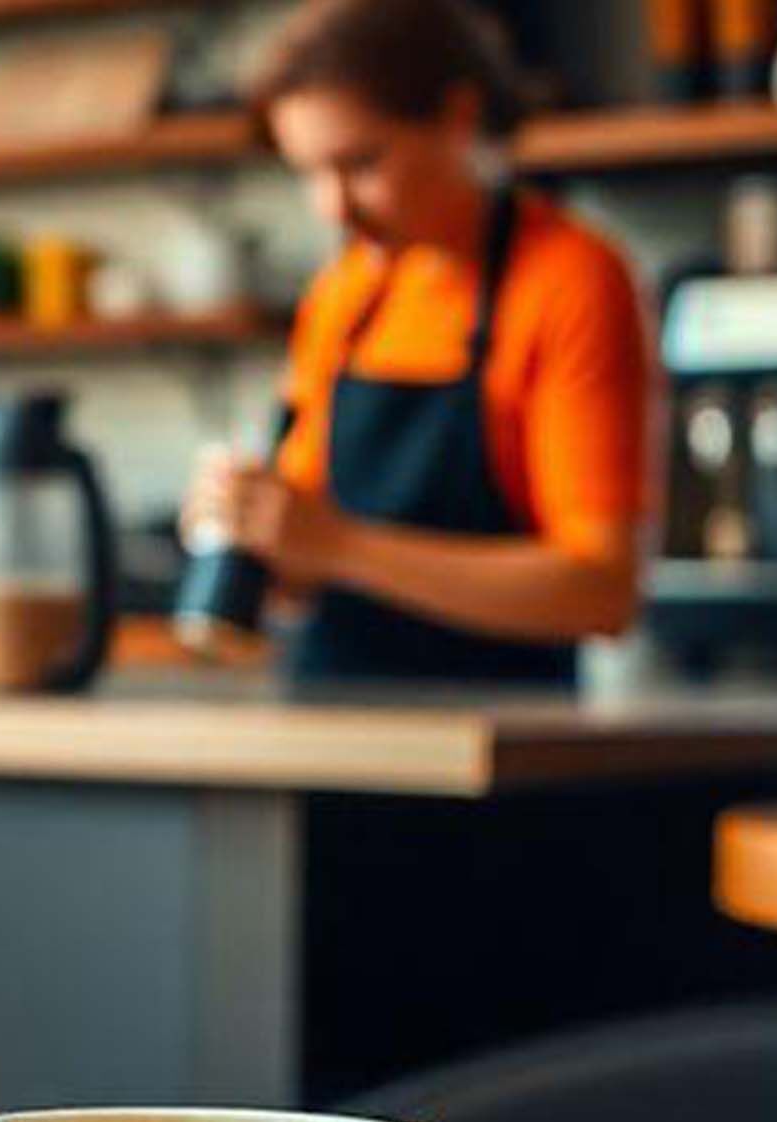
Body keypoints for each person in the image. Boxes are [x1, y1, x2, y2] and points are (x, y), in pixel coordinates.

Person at [183, 0, 650, 683]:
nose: (334, 208)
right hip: (337, 723)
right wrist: (254, 535)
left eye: (361, 163)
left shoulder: (571, 281)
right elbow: (301, 572)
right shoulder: (343, 297)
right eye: (310, 173)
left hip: (501, 746)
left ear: (458, 118)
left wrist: (343, 546)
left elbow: (602, 591)